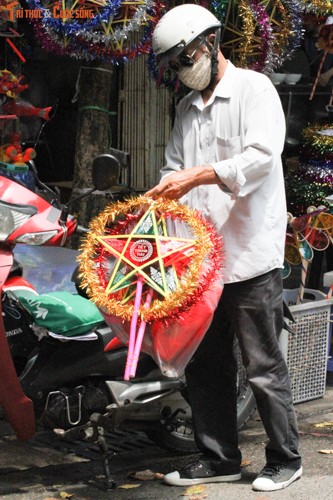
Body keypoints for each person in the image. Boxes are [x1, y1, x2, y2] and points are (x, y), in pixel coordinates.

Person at [146, 4, 302, 493]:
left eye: (183, 56)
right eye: (172, 63)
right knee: (207, 364)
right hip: (201, 260)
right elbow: (174, 169)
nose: (179, 68)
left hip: (251, 254)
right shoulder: (186, 109)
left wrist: (200, 174)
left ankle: (285, 458)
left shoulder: (254, 90)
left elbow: (260, 157)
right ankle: (219, 458)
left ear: (210, 43)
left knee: (262, 363)